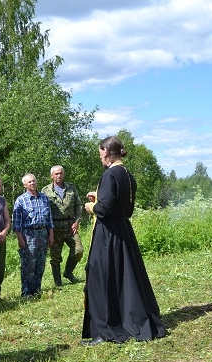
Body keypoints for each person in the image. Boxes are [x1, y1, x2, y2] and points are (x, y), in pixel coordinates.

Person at [82, 136, 166, 345]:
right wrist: (99, 196)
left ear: (106, 152)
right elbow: (123, 206)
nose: (100, 157)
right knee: (124, 278)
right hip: (123, 232)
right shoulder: (128, 175)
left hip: (108, 234)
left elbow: (104, 209)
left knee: (100, 278)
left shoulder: (110, 174)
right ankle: (126, 319)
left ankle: (106, 330)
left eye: (100, 153)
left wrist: (91, 207)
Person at [12, 173, 54, 298]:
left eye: (34, 181)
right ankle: (26, 292)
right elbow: (16, 223)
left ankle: (36, 290)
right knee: (29, 264)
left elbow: (49, 219)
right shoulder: (21, 200)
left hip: (43, 233)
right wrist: (20, 239)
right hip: (28, 234)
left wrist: (51, 235)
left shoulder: (44, 198)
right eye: (29, 182)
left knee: (40, 263)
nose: (32, 183)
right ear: (24, 185)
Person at [42, 165, 84, 286]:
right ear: (51, 176)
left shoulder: (71, 188)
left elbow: (78, 206)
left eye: (61, 173)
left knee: (78, 250)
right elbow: (44, 211)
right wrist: (48, 230)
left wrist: (77, 222)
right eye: (56, 174)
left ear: (64, 174)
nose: (59, 176)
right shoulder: (45, 191)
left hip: (70, 226)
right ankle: (58, 282)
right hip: (54, 227)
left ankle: (68, 272)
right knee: (55, 256)